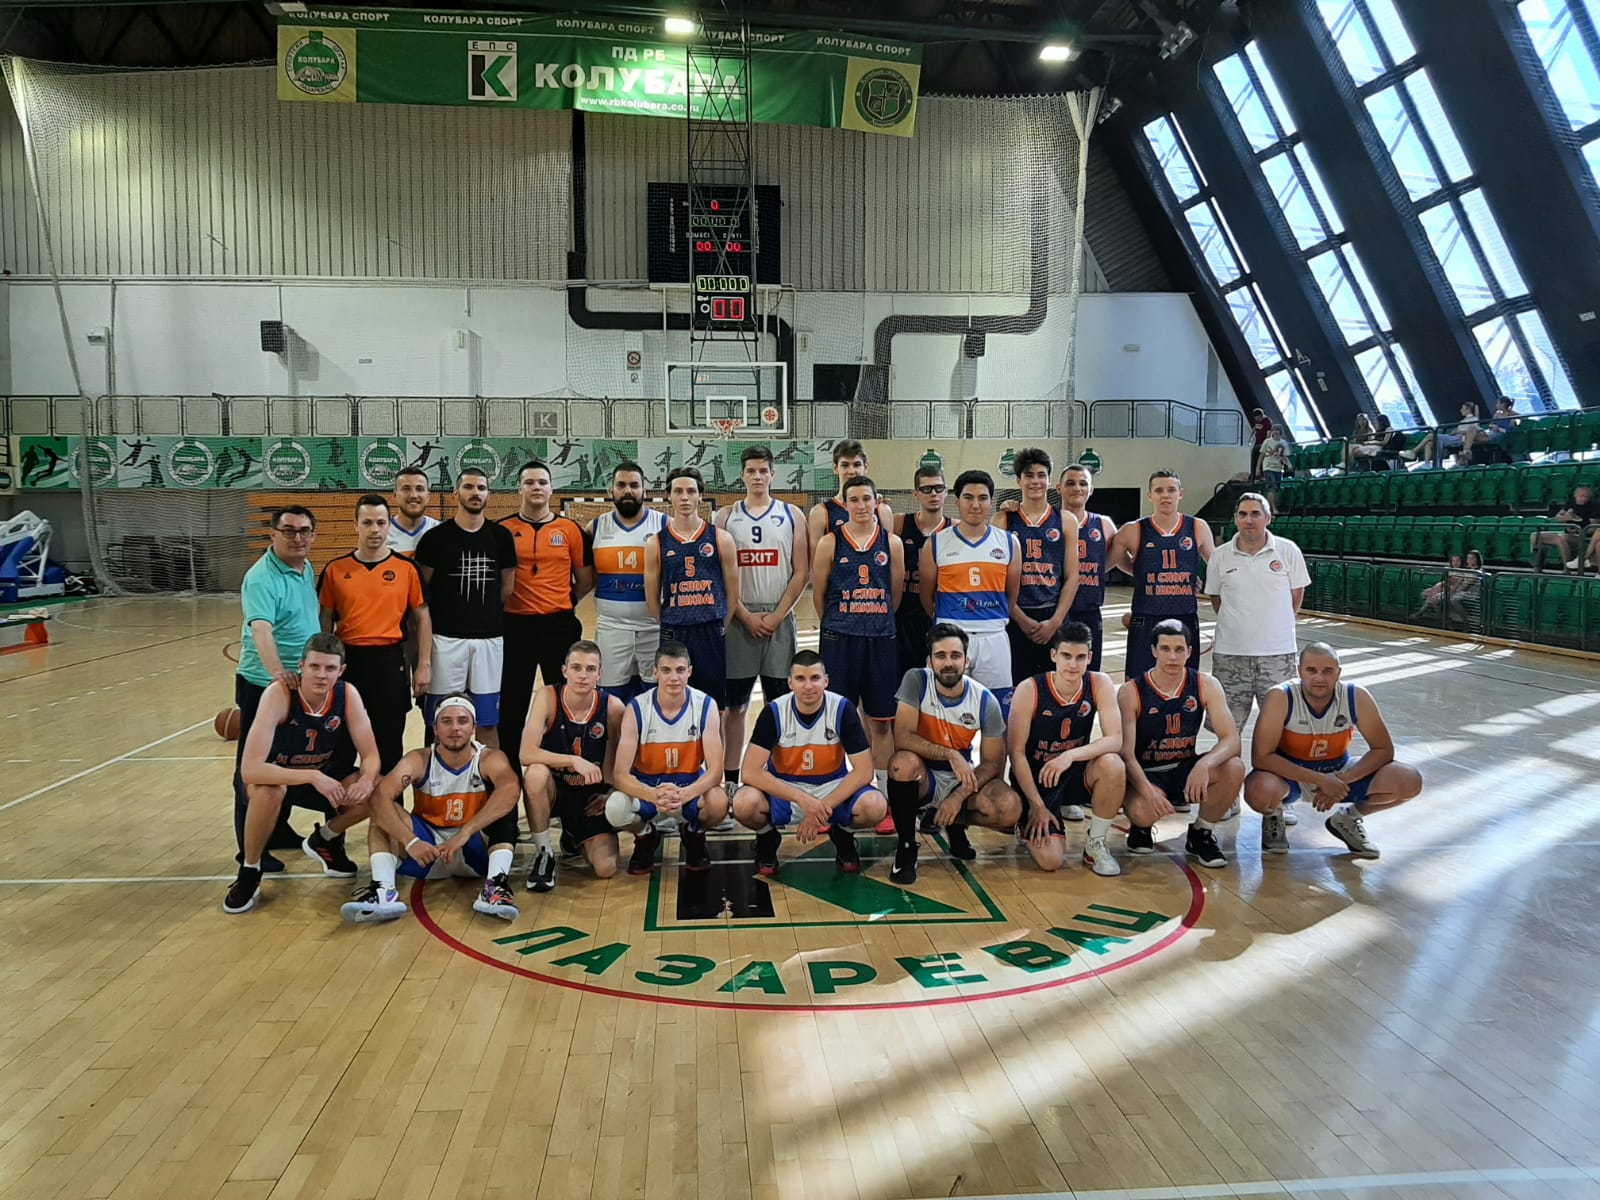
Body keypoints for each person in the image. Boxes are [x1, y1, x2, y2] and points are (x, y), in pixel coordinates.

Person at [224, 633, 382, 914]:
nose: (321, 675)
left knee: (379, 790)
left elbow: (370, 755)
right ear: (301, 666)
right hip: (275, 776)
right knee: (270, 791)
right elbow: (250, 769)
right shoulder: (279, 694)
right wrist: (312, 776)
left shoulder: (347, 694)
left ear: (341, 671)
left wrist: (367, 780)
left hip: (318, 773)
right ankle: (250, 870)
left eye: (330, 668)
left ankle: (325, 839)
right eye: (314, 667)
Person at [341, 695, 522, 924]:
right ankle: (384, 892)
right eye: (446, 721)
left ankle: (494, 887)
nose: (455, 728)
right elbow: (379, 798)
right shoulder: (419, 759)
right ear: (435, 728)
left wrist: (465, 833)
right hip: (426, 851)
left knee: (503, 808)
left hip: (473, 849)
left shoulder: (489, 758)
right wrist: (410, 841)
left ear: (473, 727)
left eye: (462, 721)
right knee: (382, 813)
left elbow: (511, 790)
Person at [1244, 643, 1424, 859]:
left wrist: (1340, 780)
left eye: (1328, 671)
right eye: (1311, 670)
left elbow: (1383, 750)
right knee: (1259, 789)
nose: (1319, 678)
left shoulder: (1355, 696)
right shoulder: (1281, 696)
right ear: (1299, 671)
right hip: (1291, 775)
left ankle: (1347, 819)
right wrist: (1321, 780)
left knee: (1408, 779)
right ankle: (1274, 814)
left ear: (1338, 673)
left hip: (1339, 770)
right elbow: (1262, 758)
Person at [730, 650, 888, 876]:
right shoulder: (774, 711)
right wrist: (803, 800)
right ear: (790, 683)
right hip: (786, 791)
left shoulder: (842, 709)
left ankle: (842, 833)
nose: (808, 686)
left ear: (826, 681)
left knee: (876, 806)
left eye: (815, 678)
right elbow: (750, 772)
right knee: (743, 803)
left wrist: (821, 809)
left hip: (831, 788)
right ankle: (767, 838)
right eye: (800, 679)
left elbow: (864, 771)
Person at [885, 623, 1019, 885]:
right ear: (930, 661)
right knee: (901, 765)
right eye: (941, 656)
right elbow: (901, 737)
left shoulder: (985, 700)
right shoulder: (916, 680)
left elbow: (992, 763)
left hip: (959, 778)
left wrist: (958, 796)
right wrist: (951, 754)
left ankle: (954, 824)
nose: (948, 663)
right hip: (923, 775)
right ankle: (907, 846)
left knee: (1010, 807)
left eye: (955, 656)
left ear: (967, 661)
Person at [231, 504, 322, 871]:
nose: (297, 538)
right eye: (288, 531)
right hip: (263, 685)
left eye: (304, 531)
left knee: (282, 760)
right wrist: (278, 675)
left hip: (298, 684)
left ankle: (278, 830)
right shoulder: (261, 578)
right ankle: (249, 849)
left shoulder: (304, 567)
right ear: (272, 535)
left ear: (313, 535)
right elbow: (261, 630)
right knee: (253, 766)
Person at [716, 445, 808, 792]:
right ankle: (730, 780)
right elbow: (719, 574)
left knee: (780, 704)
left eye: (763, 471)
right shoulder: (725, 516)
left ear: (772, 474)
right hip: (739, 617)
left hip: (779, 616)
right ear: (742, 475)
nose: (757, 476)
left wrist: (778, 615)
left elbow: (802, 571)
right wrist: (743, 614)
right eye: (751, 471)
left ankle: (780, 777)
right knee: (735, 707)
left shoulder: (792, 514)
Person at [1116, 620, 1245, 868]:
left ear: (1189, 652)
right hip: (1147, 773)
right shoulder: (1131, 691)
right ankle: (1140, 828)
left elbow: (1231, 738)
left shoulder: (1205, 684)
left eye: (1179, 649)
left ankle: (1201, 833)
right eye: (1165, 649)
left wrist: (1204, 765)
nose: (1173, 657)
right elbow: (1126, 754)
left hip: (1185, 768)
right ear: (1154, 651)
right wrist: (1147, 791)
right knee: (1143, 811)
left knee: (1234, 767)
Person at [318, 495, 431, 774]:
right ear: (355, 525)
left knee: (389, 747)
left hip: (390, 662)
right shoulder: (335, 569)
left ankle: (390, 803)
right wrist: (324, 665)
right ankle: (339, 802)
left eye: (381, 523)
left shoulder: (406, 568)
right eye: (367, 522)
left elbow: (422, 617)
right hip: (348, 662)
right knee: (341, 747)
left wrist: (424, 664)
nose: (375, 529)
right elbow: (324, 619)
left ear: (388, 526)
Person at [1006, 623, 1126, 876]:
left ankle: (1095, 845)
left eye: (1080, 657)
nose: (1073, 664)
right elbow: (1016, 754)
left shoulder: (1099, 683)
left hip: (1071, 771)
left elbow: (1115, 739)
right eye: (1066, 656)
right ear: (1054, 655)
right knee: (1050, 861)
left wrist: (1069, 756)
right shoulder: (1030, 689)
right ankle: (1027, 820)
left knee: (1113, 763)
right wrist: (1036, 805)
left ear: (1090, 658)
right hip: (1037, 779)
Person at [605, 640, 732, 875]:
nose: (674, 678)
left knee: (718, 802)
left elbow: (716, 771)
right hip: (647, 787)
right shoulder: (637, 708)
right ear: (655, 672)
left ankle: (694, 834)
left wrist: (686, 794)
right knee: (615, 808)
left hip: (689, 785)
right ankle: (645, 835)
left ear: (690, 671)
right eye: (666, 670)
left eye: (680, 670)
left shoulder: (705, 705)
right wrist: (652, 795)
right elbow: (620, 775)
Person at [413, 468, 518, 748]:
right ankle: (435, 774)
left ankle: (489, 774)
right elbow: (421, 591)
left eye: (481, 488)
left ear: (488, 494)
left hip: (489, 641)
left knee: (487, 721)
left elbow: (507, 588)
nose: (475, 493)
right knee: (440, 719)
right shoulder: (435, 538)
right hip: (445, 640)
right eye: (469, 487)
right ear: (456, 493)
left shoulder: (501, 537)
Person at [812, 474, 904, 783]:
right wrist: (840, 622)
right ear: (846, 504)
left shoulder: (891, 543)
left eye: (867, 499)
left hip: (880, 638)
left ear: (877, 502)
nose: (861, 505)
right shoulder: (830, 542)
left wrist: (875, 618)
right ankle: (834, 785)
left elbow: (894, 594)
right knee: (837, 717)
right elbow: (820, 595)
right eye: (854, 499)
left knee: (881, 722)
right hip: (840, 639)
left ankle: (883, 792)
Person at [497, 460, 592, 752]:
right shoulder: (503, 530)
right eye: (529, 482)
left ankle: (562, 761)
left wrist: (564, 601)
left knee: (562, 696)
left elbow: (586, 578)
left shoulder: (570, 529)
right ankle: (510, 766)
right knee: (512, 701)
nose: (536, 487)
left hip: (558, 625)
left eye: (542, 482)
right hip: (514, 626)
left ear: (551, 488)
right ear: (519, 489)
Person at [519, 640, 625, 892]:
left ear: (600, 674)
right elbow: (526, 753)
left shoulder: (612, 707)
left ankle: (573, 836)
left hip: (590, 798)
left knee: (606, 868)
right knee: (535, 774)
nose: (583, 675)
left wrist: (611, 794)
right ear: (565, 671)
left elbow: (619, 761)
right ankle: (544, 854)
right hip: (555, 790)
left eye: (590, 669)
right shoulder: (547, 697)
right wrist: (573, 760)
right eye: (576, 668)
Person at [1205, 492, 1309, 734]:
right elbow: (1216, 597)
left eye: (1255, 514)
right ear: (1235, 519)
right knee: (1226, 729)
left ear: (1268, 518)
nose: (1248, 520)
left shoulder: (1288, 551)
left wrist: (1278, 624)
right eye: (1242, 514)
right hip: (1230, 655)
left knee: (1283, 727)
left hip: (1277, 654)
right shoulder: (1220, 556)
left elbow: (1296, 595)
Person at [920, 470, 1022, 710]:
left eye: (982, 498)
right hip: (950, 637)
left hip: (993, 636)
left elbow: (1011, 594)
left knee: (997, 711)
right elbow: (926, 595)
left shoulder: (1009, 542)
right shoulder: (936, 543)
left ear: (991, 502)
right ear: (957, 501)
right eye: (968, 497)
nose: (975, 505)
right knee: (945, 711)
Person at [645, 467, 740, 709]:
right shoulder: (656, 542)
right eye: (678, 491)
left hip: (710, 629)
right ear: (669, 496)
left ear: (700, 496)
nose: (685, 497)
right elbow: (652, 597)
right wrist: (668, 621)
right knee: (673, 699)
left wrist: (720, 624)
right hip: (675, 629)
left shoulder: (721, 538)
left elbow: (732, 594)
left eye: (691, 491)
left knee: (712, 704)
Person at [1108, 470, 1214, 681]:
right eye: (1159, 490)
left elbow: (1217, 566)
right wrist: (1139, 571)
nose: (1165, 495)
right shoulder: (1133, 530)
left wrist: (1202, 583)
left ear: (1180, 494)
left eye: (1171, 490)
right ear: (1150, 495)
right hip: (1146, 616)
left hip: (1185, 615)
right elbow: (1107, 563)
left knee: (1185, 681)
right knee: (1138, 682)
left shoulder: (1197, 527)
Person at [588, 460, 668, 701]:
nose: (628, 491)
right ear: (611, 490)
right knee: (612, 700)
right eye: (621, 485)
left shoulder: (665, 525)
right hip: (611, 628)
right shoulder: (596, 527)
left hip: (654, 629)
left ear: (644, 490)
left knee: (654, 700)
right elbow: (587, 577)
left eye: (634, 485)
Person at [1003, 447, 1080, 685]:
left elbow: (1073, 576)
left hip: (1053, 615)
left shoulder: (1066, 520)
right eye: (1029, 475)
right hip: (1015, 615)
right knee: (1017, 689)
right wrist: (1020, 618)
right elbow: (997, 579)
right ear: (1018, 480)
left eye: (1041, 475)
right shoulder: (1003, 519)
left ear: (1049, 479)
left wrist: (1055, 622)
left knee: (1055, 688)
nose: (1035, 481)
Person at [894, 462, 949, 678]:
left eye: (938, 488)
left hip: (938, 617)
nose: (933, 494)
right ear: (916, 493)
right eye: (926, 489)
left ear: (946, 492)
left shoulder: (955, 528)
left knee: (937, 681)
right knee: (902, 681)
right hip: (902, 617)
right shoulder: (899, 523)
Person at [807, 438, 894, 545]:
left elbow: (889, 552)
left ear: (866, 467)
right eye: (845, 465)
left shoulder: (882, 510)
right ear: (835, 468)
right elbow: (816, 556)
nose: (851, 471)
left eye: (857, 465)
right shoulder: (820, 512)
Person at [1530, 485, 1600, 572]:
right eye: (1581, 496)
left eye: (1586, 496)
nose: (1584, 498)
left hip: (1582, 537)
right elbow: (1557, 518)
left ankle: (1567, 568)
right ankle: (1537, 566)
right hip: (1567, 533)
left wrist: (1579, 530)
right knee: (1536, 536)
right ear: (1575, 495)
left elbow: (1594, 528)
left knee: (1561, 538)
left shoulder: (1594, 506)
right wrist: (1566, 518)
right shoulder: (1570, 503)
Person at [1411, 551, 1483, 624]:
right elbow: (1455, 582)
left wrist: (1448, 593)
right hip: (1456, 591)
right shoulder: (1466, 570)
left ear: (1477, 559)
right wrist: (1440, 590)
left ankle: (1464, 622)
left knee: (1443, 599)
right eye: (1468, 558)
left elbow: (1464, 586)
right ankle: (1442, 619)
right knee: (1431, 598)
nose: (1469, 561)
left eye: (1472, 559)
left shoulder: (1477, 572)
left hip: (1469, 594)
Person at [1408, 402, 1483, 467]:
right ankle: (1427, 464)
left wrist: (1458, 432)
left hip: (1460, 438)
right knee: (1429, 443)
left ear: (1468, 409)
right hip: (1454, 437)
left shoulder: (1473, 419)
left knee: (1431, 436)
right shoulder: (1463, 420)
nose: (1461, 410)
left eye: (1463, 408)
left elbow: (1473, 430)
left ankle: (1414, 451)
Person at [386, 465, 439, 555]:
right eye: (406, 489)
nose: (413, 495)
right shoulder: (381, 533)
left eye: (419, 489)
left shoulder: (441, 531)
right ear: (395, 495)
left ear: (428, 497)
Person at [1259, 425, 1291, 511]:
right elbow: (1261, 455)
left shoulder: (1284, 443)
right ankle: (1274, 508)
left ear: (1280, 432)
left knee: (1274, 489)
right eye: (1274, 430)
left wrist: (1289, 464)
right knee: (1272, 487)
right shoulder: (1267, 441)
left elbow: (1284, 456)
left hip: (1278, 468)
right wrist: (1258, 468)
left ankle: (1267, 507)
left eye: (1277, 430)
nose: (1275, 432)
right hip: (1268, 467)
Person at [1249, 407, 1273, 479]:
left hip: (1263, 444)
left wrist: (1264, 443)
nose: (1257, 420)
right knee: (1254, 457)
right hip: (1257, 442)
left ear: (1261, 416)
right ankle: (1253, 475)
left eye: (1258, 418)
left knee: (1261, 459)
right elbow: (1255, 428)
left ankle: (1261, 475)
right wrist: (1250, 437)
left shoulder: (1267, 421)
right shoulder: (1257, 421)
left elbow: (1269, 433)